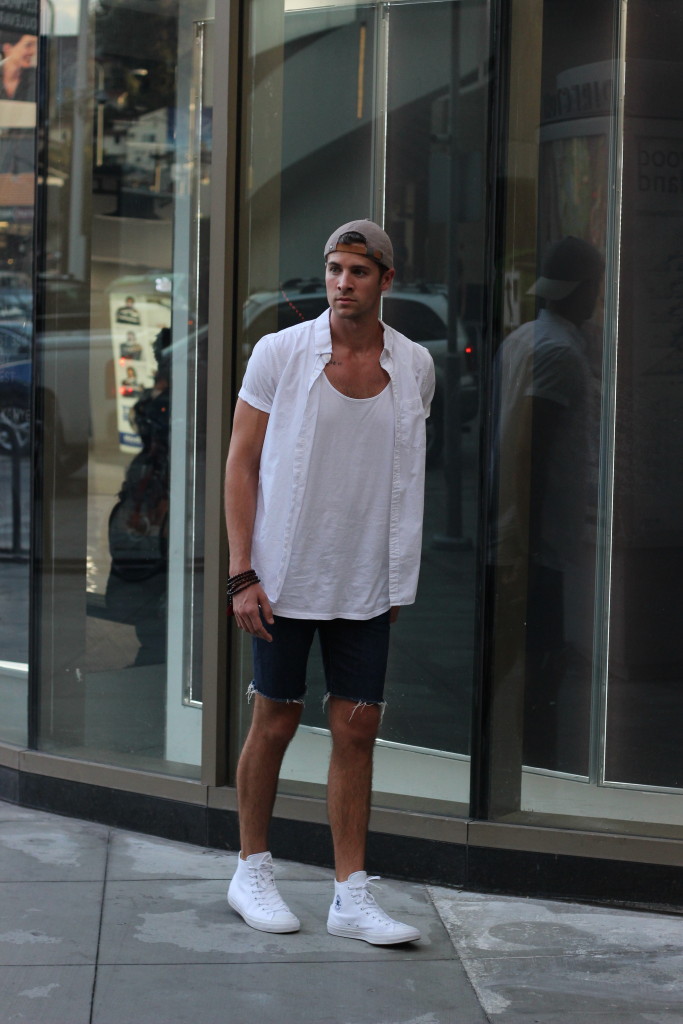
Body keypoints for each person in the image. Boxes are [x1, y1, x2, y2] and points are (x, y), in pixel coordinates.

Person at [224, 219, 434, 944]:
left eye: (359, 271)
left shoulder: (414, 366)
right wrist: (241, 572)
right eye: (334, 269)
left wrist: (396, 577)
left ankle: (351, 894)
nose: (343, 283)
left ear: (386, 280)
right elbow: (241, 462)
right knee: (275, 719)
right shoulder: (279, 353)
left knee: (357, 727)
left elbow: (404, 476)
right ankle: (251, 869)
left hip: (365, 579)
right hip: (282, 576)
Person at [490, 235, 604, 770]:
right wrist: (530, 545)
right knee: (540, 662)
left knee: (518, 657)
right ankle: (534, 763)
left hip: (523, 531)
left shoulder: (524, 338)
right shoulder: (558, 352)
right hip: (536, 538)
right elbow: (529, 450)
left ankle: (514, 754)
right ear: (582, 290)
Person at [0, 33, 36, 103]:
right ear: (7, 48)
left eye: (34, 45)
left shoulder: (36, 77)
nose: (33, 52)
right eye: (28, 45)